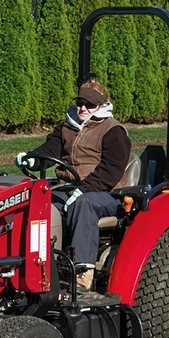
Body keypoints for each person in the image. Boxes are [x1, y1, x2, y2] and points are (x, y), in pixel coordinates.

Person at [16, 80, 131, 292]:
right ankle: (29, 262)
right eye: (80, 103)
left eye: (89, 105)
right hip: (67, 189)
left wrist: (83, 189)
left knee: (83, 204)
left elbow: (111, 170)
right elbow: (50, 150)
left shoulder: (113, 131)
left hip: (105, 194)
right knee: (33, 201)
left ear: (101, 106)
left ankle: (81, 274)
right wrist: (32, 159)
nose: (83, 109)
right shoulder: (67, 127)